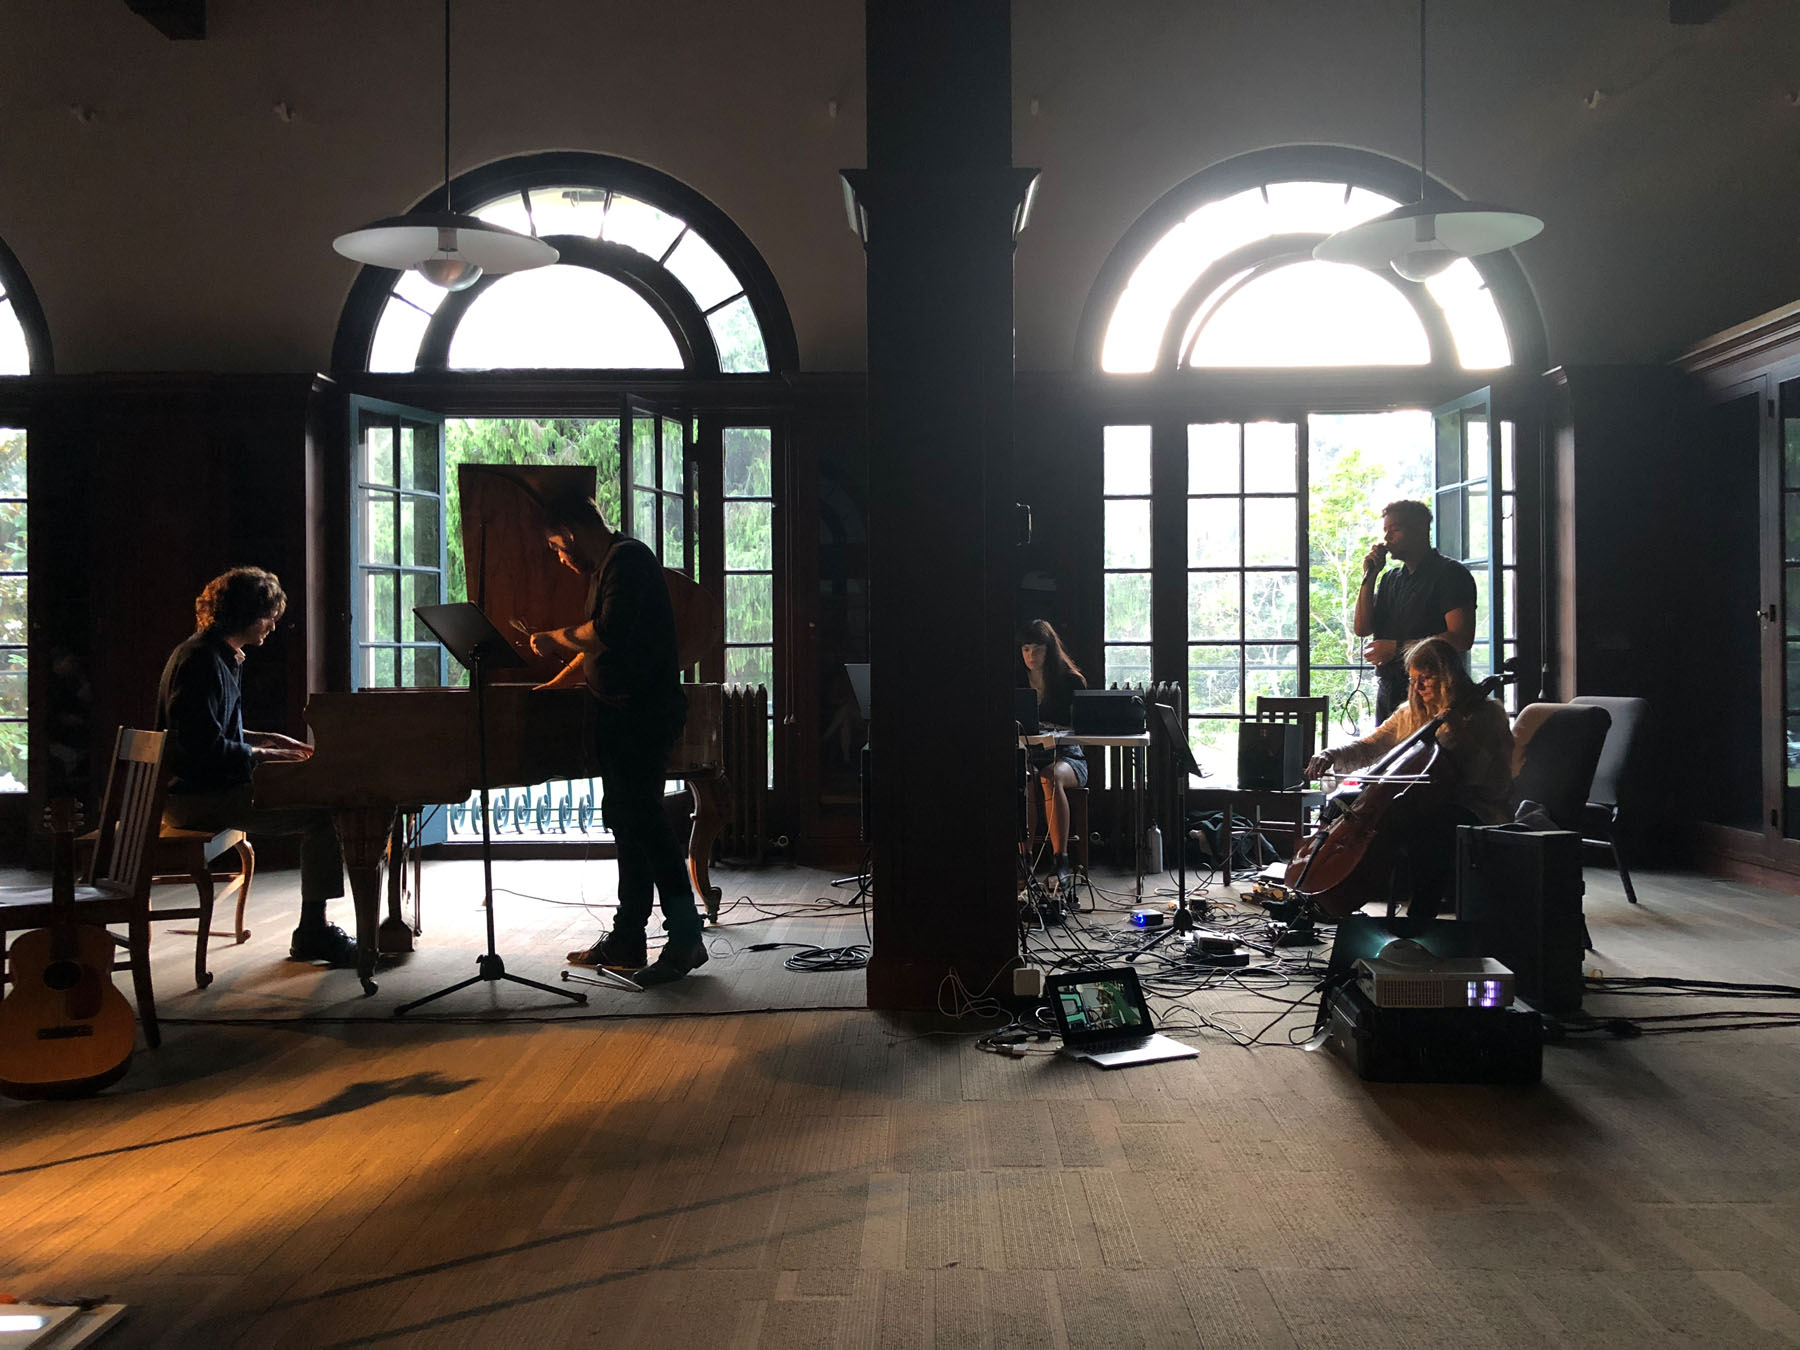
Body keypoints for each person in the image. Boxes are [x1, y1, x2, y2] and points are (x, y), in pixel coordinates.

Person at [529, 491, 706, 986]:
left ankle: (686, 935)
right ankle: (629, 934)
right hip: (621, 714)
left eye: (557, 548)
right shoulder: (607, 567)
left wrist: (553, 637)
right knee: (628, 824)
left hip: (643, 714)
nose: (561, 560)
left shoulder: (628, 560)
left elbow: (602, 633)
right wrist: (555, 684)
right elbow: (596, 650)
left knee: (645, 823)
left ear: (568, 531)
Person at [155, 567, 354, 964]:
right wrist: (265, 756)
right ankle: (313, 932)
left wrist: (266, 740)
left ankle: (314, 927)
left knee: (319, 803)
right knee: (323, 816)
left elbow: (213, 731)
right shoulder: (202, 662)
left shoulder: (213, 654)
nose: (273, 626)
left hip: (202, 788)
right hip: (197, 797)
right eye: (269, 617)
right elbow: (201, 748)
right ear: (246, 613)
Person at [1303, 637, 1513, 917]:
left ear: (1449, 677)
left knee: (1430, 828)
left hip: (1475, 807)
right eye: (1414, 678)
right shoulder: (1411, 713)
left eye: (1427, 677)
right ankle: (1320, 887)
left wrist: (1461, 735)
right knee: (1341, 803)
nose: (1419, 686)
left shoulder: (1487, 715)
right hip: (1416, 801)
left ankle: (1422, 914)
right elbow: (1370, 746)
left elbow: (1485, 777)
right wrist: (1332, 754)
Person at [1353, 499, 1477, 721]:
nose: (1387, 538)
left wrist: (1397, 648)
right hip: (1390, 690)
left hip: (1433, 693)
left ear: (1420, 530)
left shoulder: (1451, 574)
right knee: (1387, 755)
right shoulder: (1390, 580)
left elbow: (1461, 638)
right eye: (1385, 531)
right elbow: (1362, 628)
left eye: (1395, 530)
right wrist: (1370, 577)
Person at [1020, 619, 1088, 894]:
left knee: (1050, 777)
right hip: (1029, 754)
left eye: (1037, 649)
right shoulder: (1013, 680)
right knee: (1022, 779)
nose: (1031, 656)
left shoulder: (1070, 681)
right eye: (1026, 649)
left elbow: (1084, 728)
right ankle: (1024, 860)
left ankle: (1061, 861)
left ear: (1050, 650)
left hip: (1067, 754)